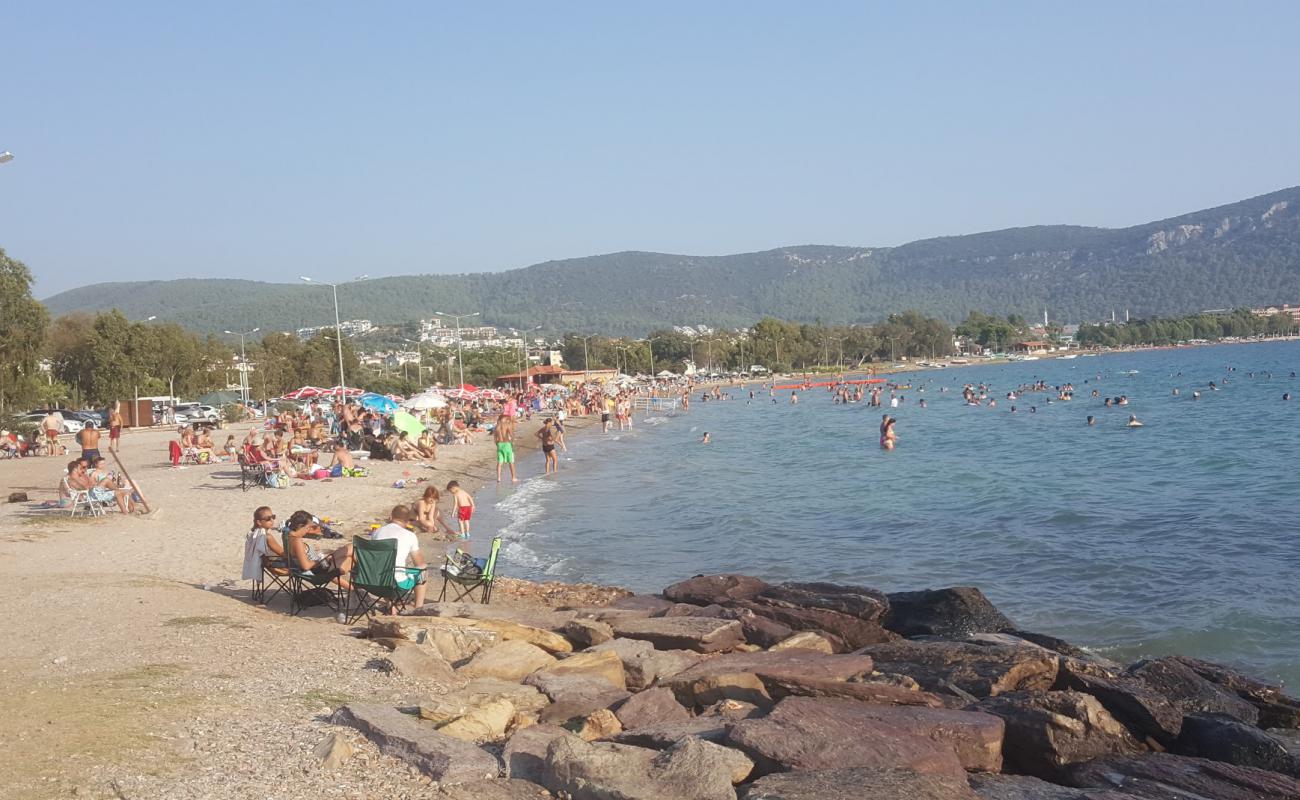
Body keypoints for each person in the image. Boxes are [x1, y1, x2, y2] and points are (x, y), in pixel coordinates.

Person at [370, 505, 428, 612]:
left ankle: (390, 605)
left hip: (374, 581)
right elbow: (419, 563)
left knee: (385, 567)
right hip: (396, 584)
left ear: (391, 517)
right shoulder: (409, 536)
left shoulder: (377, 532)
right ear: (407, 521)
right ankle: (418, 608)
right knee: (423, 570)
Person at [284, 510, 353, 590]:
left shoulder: (288, 536)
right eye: (308, 527)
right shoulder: (297, 541)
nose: (309, 530)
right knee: (351, 554)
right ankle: (358, 588)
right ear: (300, 526)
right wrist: (319, 560)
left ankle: (353, 589)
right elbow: (306, 566)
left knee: (351, 551)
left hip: (318, 567)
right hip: (318, 570)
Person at [64, 459, 135, 514]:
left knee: (120, 492)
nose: (83, 470)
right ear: (75, 469)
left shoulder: (78, 476)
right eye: (81, 468)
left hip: (93, 493)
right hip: (90, 496)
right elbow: (86, 487)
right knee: (109, 483)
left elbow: (89, 484)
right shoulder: (73, 478)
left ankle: (130, 510)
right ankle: (125, 512)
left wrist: (89, 481)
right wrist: (90, 483)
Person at [494, 413, 517, 482]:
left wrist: (497, 445)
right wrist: (512, 442)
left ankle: (498, 478)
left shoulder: (497, 426)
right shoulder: (506, 425)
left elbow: (495, 438)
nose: (508, 420)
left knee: (499, 462)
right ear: (505, 419)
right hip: (506, 444)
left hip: (499, 444)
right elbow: (511, 434)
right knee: (511, 461)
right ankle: (513, 477)